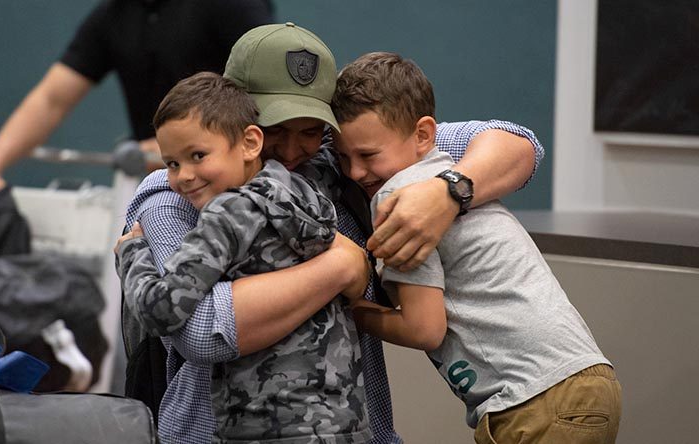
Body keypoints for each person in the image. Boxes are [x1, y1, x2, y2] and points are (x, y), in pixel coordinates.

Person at [121, 23, 545, 443]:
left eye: (308, 130)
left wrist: (448, 190)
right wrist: (342, 266)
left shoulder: (341, 155)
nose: (290, 152)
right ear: (237, 119)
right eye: (274, 131)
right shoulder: (175, 194)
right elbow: (203, 331)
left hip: (354, 428)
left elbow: (519, 143)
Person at [331, 51, 622, 444]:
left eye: (367, 155)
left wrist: (357, 314)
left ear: (422, 135)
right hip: (580, 382)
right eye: (342, 157)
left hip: (535, 400)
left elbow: (424, 328)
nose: (354, 172)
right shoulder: (447, 164)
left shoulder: (397, 195)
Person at [115, 71, 372, 442]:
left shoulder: (226, 214)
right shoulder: (308, 193)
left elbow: (161, 310)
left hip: (267, 428)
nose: (184, 176)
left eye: (198, 156)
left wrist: (132, 252)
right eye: (171, 164)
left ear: (251, 142)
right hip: (344, 423)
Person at [0, 0, 273, 210]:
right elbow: (52, 98)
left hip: (242, 193)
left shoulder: (231, 5)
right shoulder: (112, 15)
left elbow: (268, 89)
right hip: (163, 186)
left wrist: (182, 150)